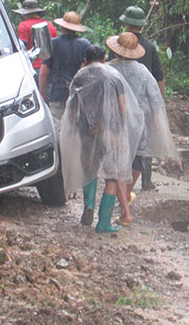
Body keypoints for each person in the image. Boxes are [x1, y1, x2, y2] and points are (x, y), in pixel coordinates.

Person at [60, 45, 144, 232]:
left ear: (86, 59)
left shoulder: (80, 76)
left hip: (87, 131)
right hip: (111, 131)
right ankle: (104, 222)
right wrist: (122, 131)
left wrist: (73, 129)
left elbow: (72, 108)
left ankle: (89, 205)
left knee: (89, 169)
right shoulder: (114, 77)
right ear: (104, 59)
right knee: (112, 176)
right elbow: (123, 109)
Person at [107, 32, 179, 219]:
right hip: (138, 124)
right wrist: (156, 123)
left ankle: (121, 198)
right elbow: (155, 100)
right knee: (137, 161)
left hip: (114, 122)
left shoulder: (108, 69)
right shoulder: (143, 72)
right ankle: (126, 194)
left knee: (117, 162)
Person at [117, 5, 166, 190]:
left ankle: (121, 177)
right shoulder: (150, 47)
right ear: (142, 25)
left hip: (121, 101)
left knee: (123, 139)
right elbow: (158, 77)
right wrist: (159, 105)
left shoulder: (119, 43)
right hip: (143, 102)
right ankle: (146, 180)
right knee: (145, 140)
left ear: (126, 23)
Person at [38, 11, 91, 131]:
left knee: (59, 128)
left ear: (61, 26)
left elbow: (44, 71)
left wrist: (42, 92)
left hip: (58, 93)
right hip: (79, 95)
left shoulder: (53, 43)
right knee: (77, 128)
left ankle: (63, 150)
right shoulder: (85, 45)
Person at [13, 0, 57, 74]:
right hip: (51, 67)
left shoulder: (23, 26)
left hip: (34, 67)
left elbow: (23, 47)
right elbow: (56, 46)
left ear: (25, 14)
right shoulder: (49, 24)